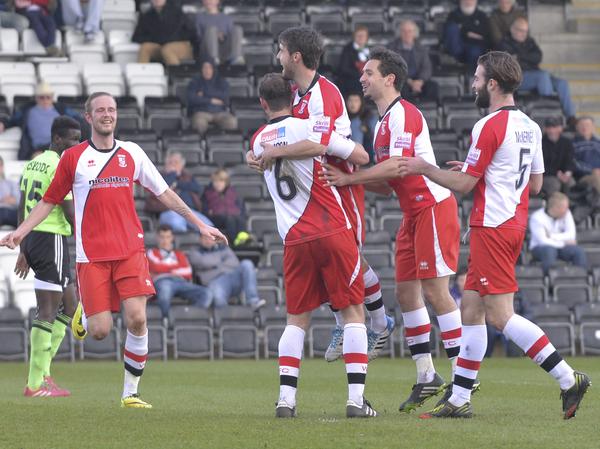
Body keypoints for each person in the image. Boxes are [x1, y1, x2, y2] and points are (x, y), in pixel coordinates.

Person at [0, 92, 227, 409]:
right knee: (99, 332)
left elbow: (163, 193)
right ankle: (87, 310)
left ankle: (130, 394)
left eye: (112, 109)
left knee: (137, 319)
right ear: (89, 117)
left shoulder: (132, 153)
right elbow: (50, 201)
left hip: (130, 251)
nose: (107, 114)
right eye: (100, 110)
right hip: (91, 257)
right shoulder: (73, 158)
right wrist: (20, 232)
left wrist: (198, 223)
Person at [397, 51, 590, 419]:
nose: (472, 83)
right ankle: (458, 400)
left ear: (492, 84)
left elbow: (464, 185)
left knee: (500, 316)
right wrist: (487, 173)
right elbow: (534, 186)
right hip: (511, 224)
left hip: (493, 226)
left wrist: (425, 167)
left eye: (476, 77)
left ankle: (568, 379)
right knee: (471, 308)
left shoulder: (488, 125)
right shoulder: (530, 127)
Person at [321, 47, 465, 413]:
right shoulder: (384, 121)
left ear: (390, 79)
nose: (362, 78)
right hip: (412, 214)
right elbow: (385, 183)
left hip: (433, 207)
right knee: (406, 295)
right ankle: (427, 376)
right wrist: (347, 181)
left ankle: (464, 380)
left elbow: (398, 168)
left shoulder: (404, 115)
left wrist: (350, 177)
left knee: (436, 291)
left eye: (369, 73)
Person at [248, 26, 394, 362]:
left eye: (281, 50)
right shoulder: (296, 95)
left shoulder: (323, 93)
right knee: (330, 260)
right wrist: (256, 152)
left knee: (349, 258)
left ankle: (378, 323)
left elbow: (321, 143)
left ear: (295, 56)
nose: (278, 56)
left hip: (339, 179)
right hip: (314, 182)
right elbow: (286, 137)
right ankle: (350, 321)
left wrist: (274, 152)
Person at [252, 72, 376, 418]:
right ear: (293, 98)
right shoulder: (309, 128)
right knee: (352, 312)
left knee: (296, 320)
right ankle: (355, 400)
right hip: (331, 228)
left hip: (293, 238)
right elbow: (361, 156)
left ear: (263, 103)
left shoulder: (258, 140)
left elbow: (258, 160)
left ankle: (285, 400)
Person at [16, 116, 81, 398]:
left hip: (35, 237)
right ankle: (35, 383)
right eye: (72, 140)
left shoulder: (33, 163)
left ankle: (44, 374)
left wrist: (22, 244)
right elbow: (68, 211)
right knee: (47, 310)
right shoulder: (60, 165)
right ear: (57, 139)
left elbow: (22, 204)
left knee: (70, 304)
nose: (76, 145)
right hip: (50, 236)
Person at [498, 17, 576, 123]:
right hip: (519, 78)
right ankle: (549, 112)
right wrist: (528, 58)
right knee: (542, 76)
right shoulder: (504, 43)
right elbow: (513, 63)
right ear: (513, 29)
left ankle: (570, 117)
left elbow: (538, 57)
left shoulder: (530, 41)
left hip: (535, 72)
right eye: (521, 30)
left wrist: (520, 56)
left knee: (562, 83)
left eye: (525, 31)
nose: (523, 34)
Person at [0, 83, 84, 161]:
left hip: (59, 147)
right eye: (42, 97)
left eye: (48, 97)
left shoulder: (62, 109)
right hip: (37, 150)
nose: (45, 100)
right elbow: (12, 120)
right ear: (36, 98)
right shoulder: (27, 110)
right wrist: (3, 123)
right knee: (39, 160)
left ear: (52, 97)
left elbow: (79, 120)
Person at [187, 233, 265, 311]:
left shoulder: (223, 248)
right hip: (214, 281)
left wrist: (214, 266)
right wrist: (221, 260)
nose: (208, 241)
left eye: (210, 238)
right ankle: (227, 319)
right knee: (218, 299)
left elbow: (234, 263)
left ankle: (253, 301)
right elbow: (202, 262)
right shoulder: (195, 252)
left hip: (231, 278)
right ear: (200, 240)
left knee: (247, 264)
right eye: (205, 238)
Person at [147, 224, 211, 318]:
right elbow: (156, 267)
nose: (165, 240)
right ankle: (168, 322)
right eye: (162, 237)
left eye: (168, 237)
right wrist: (176, 267)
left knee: (207, 293)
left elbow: (188, 272)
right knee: (165, 292)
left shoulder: (179, 254)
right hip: (162, 281)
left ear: (172, 238)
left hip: (181, 282)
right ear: (157, 238)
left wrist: (165, 268)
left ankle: (189, 318)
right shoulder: (151, 252)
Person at [145, 151, 213, 233]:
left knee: (209, 227)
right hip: (169, 211)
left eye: (176, 162)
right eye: (170, 162)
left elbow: (198, 188)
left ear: (181, 165)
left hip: (190, 211)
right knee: (179, 227)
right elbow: (163, 187)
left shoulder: (187, 176)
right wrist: (172, 174)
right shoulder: (160, 176)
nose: (173, 164)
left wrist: (177, 184)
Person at [529, 192, 587, 276]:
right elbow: (543, 241)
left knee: (578, 251)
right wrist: (563, 242)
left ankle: (580, 278)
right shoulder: (537, 217)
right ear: (555, 208)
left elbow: (571, 235)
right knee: (549, 251)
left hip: (560, 247)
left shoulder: (566, 213)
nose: (567, 210)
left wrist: (552, 236)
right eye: (564, 207)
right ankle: (549, 280)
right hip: (540, 248)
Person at [388, 19, 438, 103]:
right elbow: (394, 69)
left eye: (410, 31)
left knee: (433, 87)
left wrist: (420, 81)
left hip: (419, 80)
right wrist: (410, 82)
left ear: (414, 33)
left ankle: (426, 112)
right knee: (402, 89)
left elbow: (427, 68)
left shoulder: (421, 48)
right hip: (402, 80)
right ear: (400, 33)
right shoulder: (392, 48)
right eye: (404, 31)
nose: (407, 34)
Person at [132, 0, 195, 66]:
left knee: (167, 49)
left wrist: (169, 39)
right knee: (145, 48)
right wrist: (155, 39)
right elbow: (136, 37)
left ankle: (175, 74)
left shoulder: (177, 12)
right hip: (160, 45)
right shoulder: (147, 16)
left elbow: (190, 33)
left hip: (180, 45)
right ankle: (142, 74)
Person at [187, 59, 238, 135]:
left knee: (231, 121)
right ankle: (203, 145)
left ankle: (224, 144)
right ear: (201, 69)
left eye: (209, 68)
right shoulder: (195, 82)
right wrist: (210, 100)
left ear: (213, 69)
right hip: (201, 112)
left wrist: (204, 93)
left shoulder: (221, 81)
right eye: (205, 68)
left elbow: (225, 96)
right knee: (199, 123)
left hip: (220, 112)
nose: (207, 70)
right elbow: (192, 98)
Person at [201, 168, 246, 243]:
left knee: (240, 219)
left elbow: (240, 206)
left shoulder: (233, 192)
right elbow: (204, 209)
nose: (218, 184)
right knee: (229, 219)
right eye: (215, 181)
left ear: (226, 182)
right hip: (215, 218)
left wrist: (239, 213)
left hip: (232, 216)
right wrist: (209, 212)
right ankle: (234, 241)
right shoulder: (207, 193)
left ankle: (243, 237)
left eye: (221, 181)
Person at [443, 0, 491, 69]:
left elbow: (484, 35)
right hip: (458, 48)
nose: (468, 2)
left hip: (475, 47)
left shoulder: (481, 16)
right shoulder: (453, 15)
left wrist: (462, 29)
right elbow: (448, 33)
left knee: (475, 52)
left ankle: (473, 76)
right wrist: (468, 33)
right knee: (452, 28)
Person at [195, 0, 244, 65]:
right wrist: (214, 35)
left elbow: (231, 37)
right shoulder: (199, 17)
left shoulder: (226, 18)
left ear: (217, 1)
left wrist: (222, 36)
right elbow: (199, 38)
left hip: (223, 49)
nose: (209, 1)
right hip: (207, 50)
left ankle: (236, 57)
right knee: (212, 30)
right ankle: (213, 59)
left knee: (237, 29)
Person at [541, 117, 576, 197]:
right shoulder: (540, 142)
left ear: (560, 128)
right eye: (549, 128)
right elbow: (541, 165)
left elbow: (570, 160)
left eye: (555, 127)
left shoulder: (567, 142)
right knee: (554, 184)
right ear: (545, 129)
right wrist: (557, 174)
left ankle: (570, 207)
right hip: (547, 175)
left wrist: (567, 173)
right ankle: (554, 206)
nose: (552, 130)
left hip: (564, 174)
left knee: (571, 183)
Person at [336, 25, 370, 97]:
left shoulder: (369, 50)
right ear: (354, 37)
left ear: (366, 38)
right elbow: (344, 69)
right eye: (358, 36)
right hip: (351, 79)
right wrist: (360, 75)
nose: (361, 38)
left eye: (363, 36)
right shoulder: (347, 49)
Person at [572, 116, 600, 197]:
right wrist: (592, 171)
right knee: (596, 179)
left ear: (593, 127)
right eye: (582, 125)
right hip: (583, 177)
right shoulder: (571, 144)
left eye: (587, 125)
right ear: (577, 127)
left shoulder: (598, 143)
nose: (584, 127)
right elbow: (572, 163)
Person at [346, 93, 378, 162]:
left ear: (361, 102)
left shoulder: (370, 117)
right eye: (350, 101)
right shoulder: (342, 119)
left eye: (356, 101)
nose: (353, 104)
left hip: (367, 160)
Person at [0, 156, 19, 227]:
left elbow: (18, 201)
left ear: (2, 167)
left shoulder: (11, 183)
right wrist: (6, 199)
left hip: (12, 212)